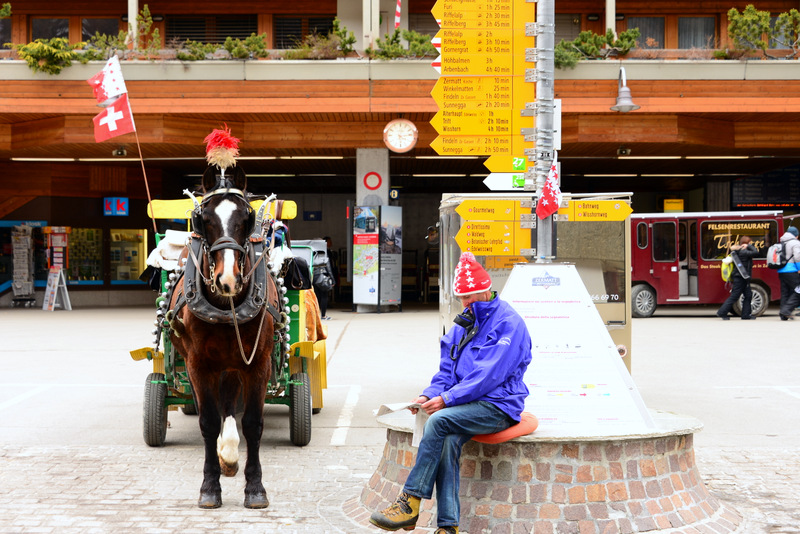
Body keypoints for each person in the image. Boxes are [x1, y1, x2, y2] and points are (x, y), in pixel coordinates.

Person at [369, 252, 532, 534]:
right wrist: (427, 395)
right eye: (461, 298)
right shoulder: (464, 324)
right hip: (469, 405)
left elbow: (487, 376)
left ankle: (410, 501)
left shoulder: (509, 323)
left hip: (498, 407)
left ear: (486, 289)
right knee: (446, 441)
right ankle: (448, 527)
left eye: (469, 297)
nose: (465, 304)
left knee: (439, 421)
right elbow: (446, 372)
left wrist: (447, 400)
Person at [716, 236, 758, 320]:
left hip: (743, 277)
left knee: (748, 295)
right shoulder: (743, 252)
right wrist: (748, 246)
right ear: (745, 243)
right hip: (740, 277)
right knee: (735, 296)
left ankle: (746, 315)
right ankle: (722, 312)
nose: (751, 244)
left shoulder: (739, 251)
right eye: (749, 243)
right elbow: (755, 252)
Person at [777, 226, 800, 320]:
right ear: (796, 235)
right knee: (798, 290)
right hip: (791, 270)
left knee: (785, 292)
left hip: (781, 270)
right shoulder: (795, 243)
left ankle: (783, 314)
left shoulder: (782, 241)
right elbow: (798, 257)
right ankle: (786, 310)